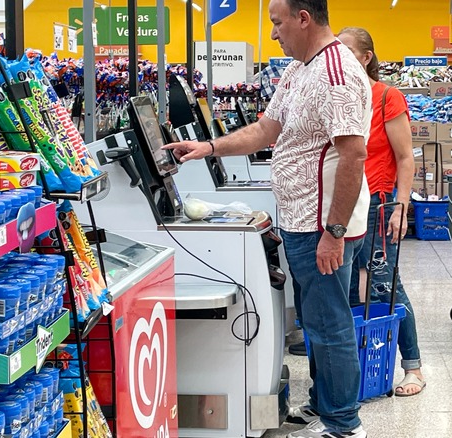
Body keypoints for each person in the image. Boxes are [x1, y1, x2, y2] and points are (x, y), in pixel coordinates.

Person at [163, 1, 372, 437]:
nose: (273, 33)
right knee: (316, 321)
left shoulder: (337, 73)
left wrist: (333, 233)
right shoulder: (300, 70)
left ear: (303, 18)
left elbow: (353, 154)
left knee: (329, 323)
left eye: (277, 23)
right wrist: (209, 147)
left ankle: (344, 426)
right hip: (300, 219)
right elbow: (267, 129)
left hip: (322, 223)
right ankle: (323, 405)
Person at [338, 27, 426, 397]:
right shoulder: (339, 99)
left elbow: (406, 159)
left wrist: (400, 207)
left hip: (376, 202)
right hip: (340, 205)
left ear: (366, 57)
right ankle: (361, 366)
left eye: (346, 52)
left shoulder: (387, 97)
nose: (338, 60)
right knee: (344, 291)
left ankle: (414, 368)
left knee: (386, 283)